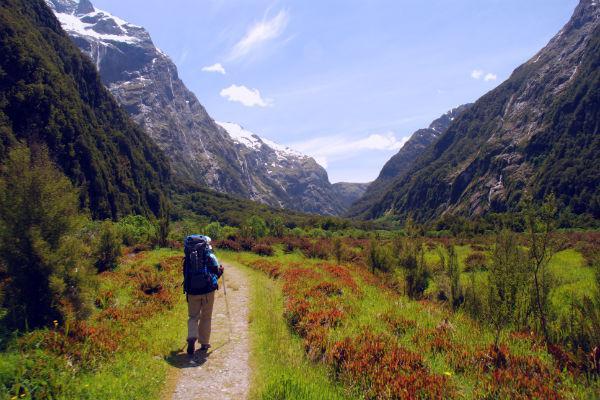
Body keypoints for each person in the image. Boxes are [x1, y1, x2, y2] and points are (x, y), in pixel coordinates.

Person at [183, 235, 224, 356]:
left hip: (192, 291)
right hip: (207, 291)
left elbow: (185, 275)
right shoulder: (209, 256)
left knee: (193, 317)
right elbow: (216, 272)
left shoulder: (188, 258)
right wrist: (221, 271)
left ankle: (191, 337)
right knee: (206, 317)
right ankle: (204, 343)